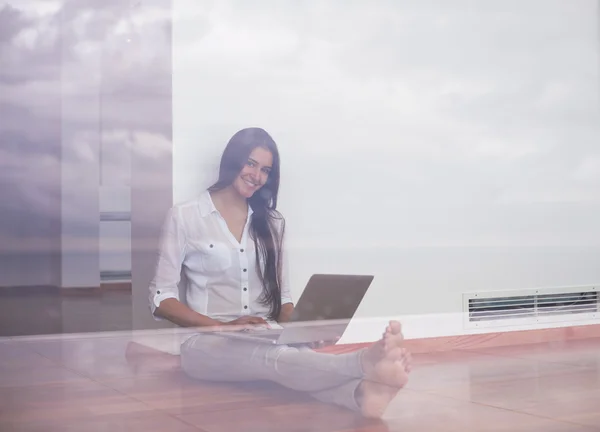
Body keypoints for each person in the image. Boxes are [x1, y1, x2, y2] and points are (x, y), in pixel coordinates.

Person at [148, 127, 412, 418]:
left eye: (265, 170)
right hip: (207, 343)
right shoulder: (186, 216)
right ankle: (363, 363)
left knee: (291, 357)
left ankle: (361, 396)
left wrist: (304, 328)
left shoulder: (272, 223)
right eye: (250, 163)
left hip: (265, 334)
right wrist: (220, 327)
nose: (256, 175)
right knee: (275, 358)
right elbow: (162, 298)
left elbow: (283, 299)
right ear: (232, 161)